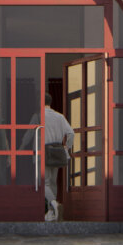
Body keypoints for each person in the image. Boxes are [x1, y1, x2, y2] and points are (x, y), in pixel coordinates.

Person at [41, 92, 74, 221]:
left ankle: (53, 203)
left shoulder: (39, 115)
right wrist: (67, 147)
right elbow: (71, 133)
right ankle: (52, 213)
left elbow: (29, 134)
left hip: (44, 150)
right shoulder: (59, 116)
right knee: (52, 181)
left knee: (43, 182)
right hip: (57, 150)